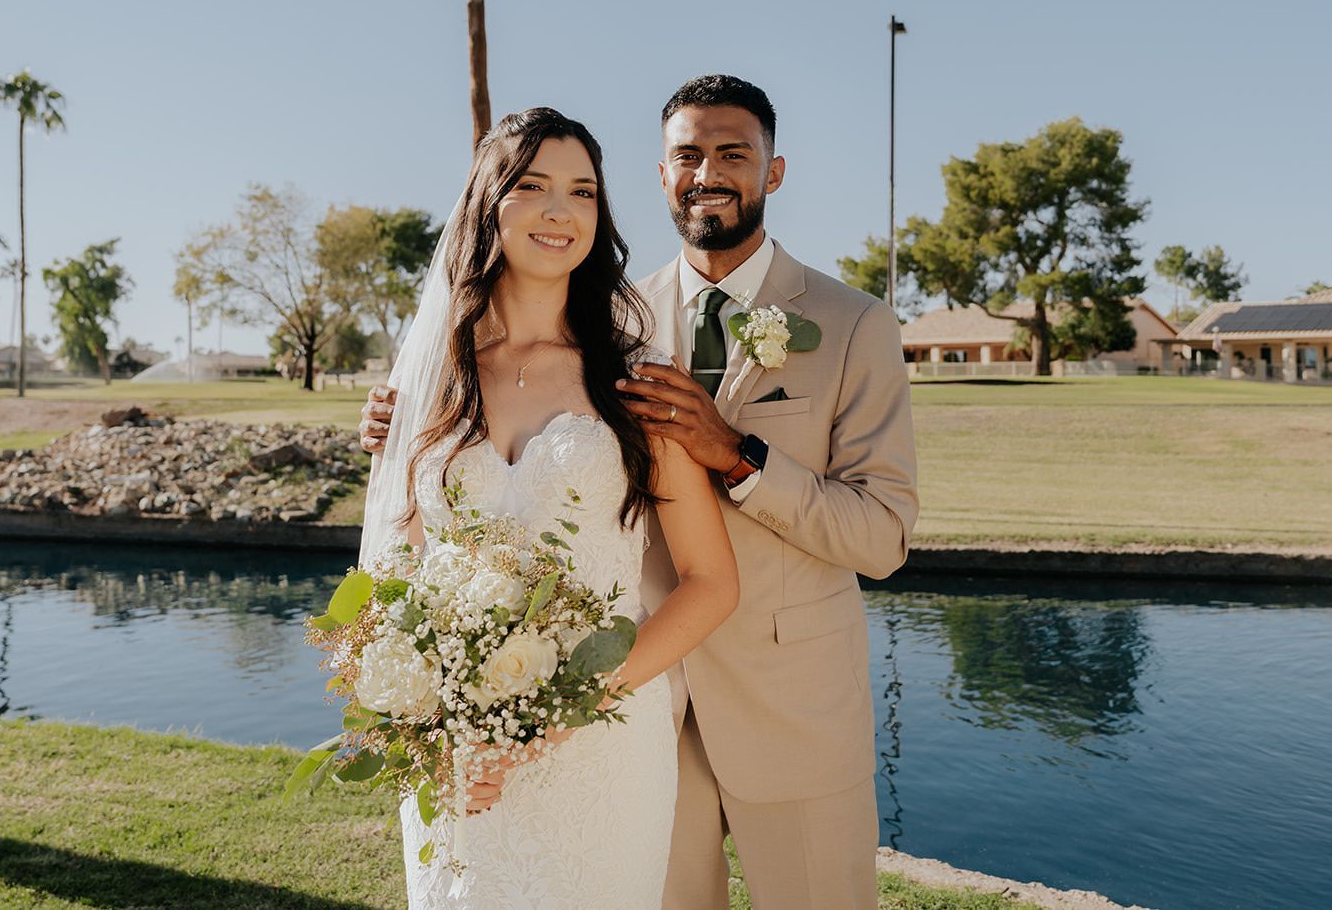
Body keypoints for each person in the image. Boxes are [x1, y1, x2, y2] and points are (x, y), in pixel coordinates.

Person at [364, 77, 918, 909]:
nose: (709, 172)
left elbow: (881, 537)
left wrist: (735, 455)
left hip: (785, 707)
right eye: (687, 155)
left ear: (774, 172)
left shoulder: (852, 324)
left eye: (735, 153)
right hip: (631, 715)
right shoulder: (622, 318)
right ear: (660, 177)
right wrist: (401, 420)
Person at [362, 106, 739, 909]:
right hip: (462, 752)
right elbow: (396, 572)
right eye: (532, 186)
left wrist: (565, 709)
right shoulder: (436, 378)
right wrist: (434, 720)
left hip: (602, 748)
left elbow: (711, 582)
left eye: (583, 192)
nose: (560, 210)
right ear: (488, 203)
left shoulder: (636, 379)